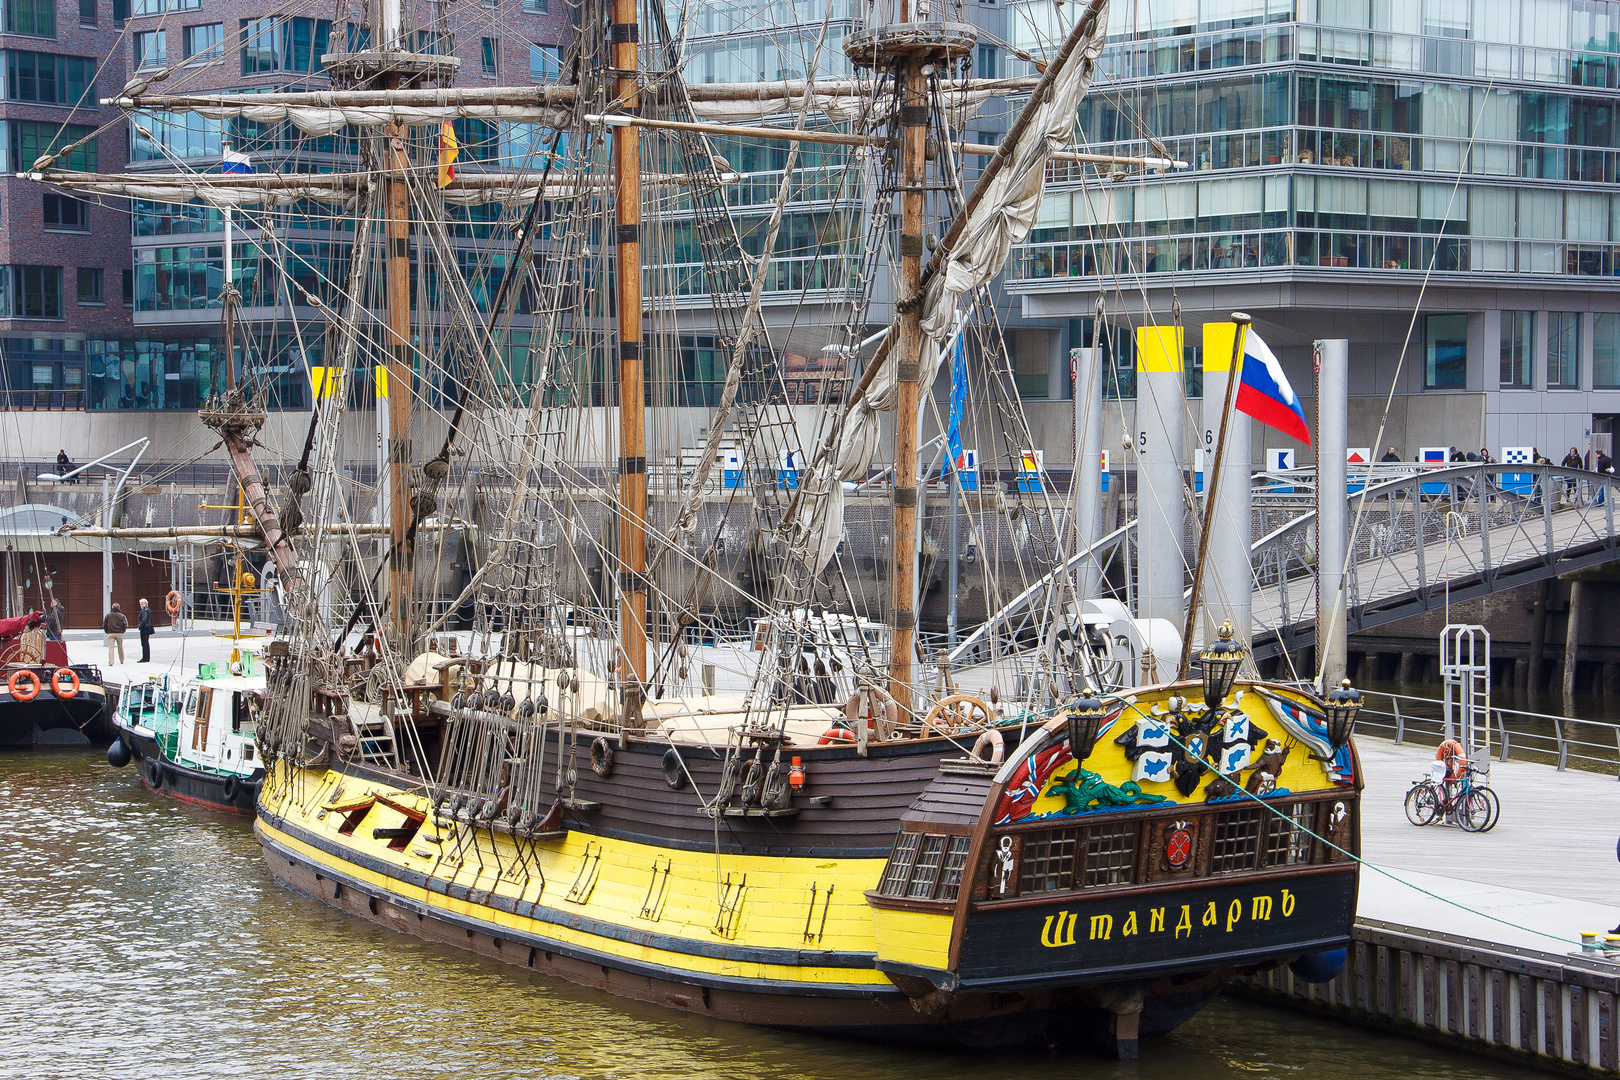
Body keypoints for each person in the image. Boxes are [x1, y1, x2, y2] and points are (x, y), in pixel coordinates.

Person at [137, 598, 153, 663]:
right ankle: (147, 657)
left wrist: (140, 626)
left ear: (145, 603)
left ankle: (145, 657)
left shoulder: (144, 610)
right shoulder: (148, 609)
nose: (141, 605)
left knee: (144, 643)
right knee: (146, 642)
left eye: (142, 604)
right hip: (148, 627)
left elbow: (144, 619)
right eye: (140, 604)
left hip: (144, 628)